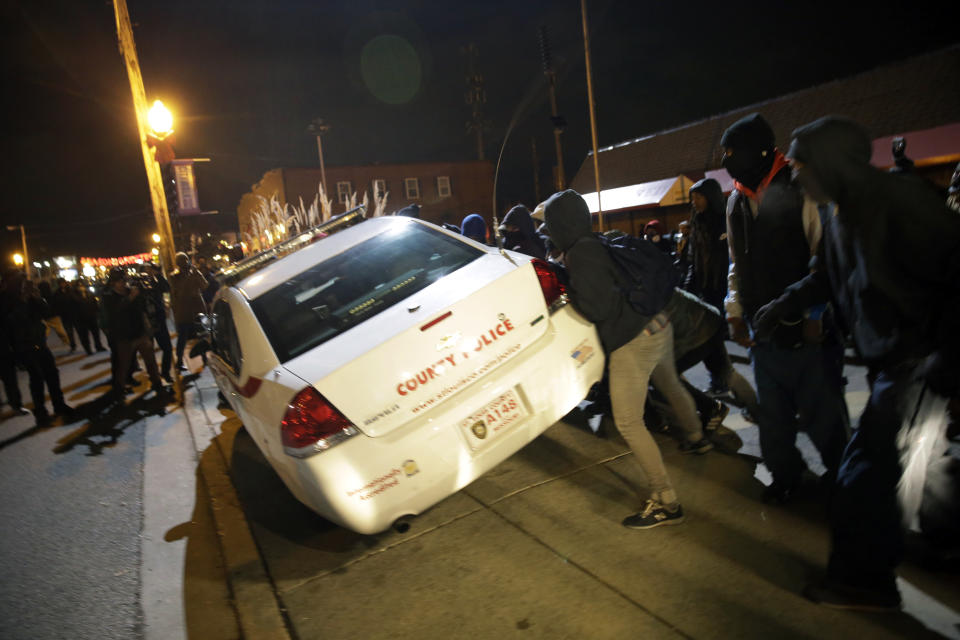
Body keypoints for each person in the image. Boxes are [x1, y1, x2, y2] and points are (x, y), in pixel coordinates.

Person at [752, 115, 960, 611]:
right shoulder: (839, 212)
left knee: (865, 474)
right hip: (892, 361)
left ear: (829, 162)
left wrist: (949, 356)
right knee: (923, 467)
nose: (796, 175)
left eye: (801, 165)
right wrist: (786, 302)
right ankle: (949, 542)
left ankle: (864, 583)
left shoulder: (899, 200)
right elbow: (829, 275)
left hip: (918, 361)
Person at [544, 189, 712, 530]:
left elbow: (598, 308)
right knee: (670, 383)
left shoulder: (581, 253)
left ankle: (666, 501)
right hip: (657, 325)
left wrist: (569, 298)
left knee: (629, 422)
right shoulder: (598, 241)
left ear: (561, 225)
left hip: (632, 341)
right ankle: (697, 437)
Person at [721, 112, 848, 504]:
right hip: (763, 333)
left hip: (809, 331)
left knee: (822, 416)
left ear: (759, 152)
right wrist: (735, 309)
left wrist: (815, 316)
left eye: (733, 153)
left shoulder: (803, 189)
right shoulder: (737, 201)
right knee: (773, 417)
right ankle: (786, 476)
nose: (728, 161)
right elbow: (735, 263)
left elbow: (827, 260)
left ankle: (844, 481)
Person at [9, 278, 74, 425]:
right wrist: (25, 301)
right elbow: (17, 324)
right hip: (27, 348)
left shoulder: (34, 303)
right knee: (37, 380)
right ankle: (41, 414)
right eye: (29, 289)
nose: (32, 292)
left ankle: (59, 406)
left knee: (52, 375)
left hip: (41, 345)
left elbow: (47, 313)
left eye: (34, 289)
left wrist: (38, 299)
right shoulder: (15, 305)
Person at [101, 268, 168, 398]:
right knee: (124, 366)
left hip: (140, 333)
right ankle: (119, 390)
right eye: (119, 281)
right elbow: (115, 312)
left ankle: (157, 383)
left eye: (123, 279)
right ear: (113, 282)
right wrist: (131, 297)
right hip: (124, 337)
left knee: (151, 362)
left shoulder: (131, 291)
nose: (122, 283)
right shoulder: (109, 296)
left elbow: (143, 308)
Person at [684, 178, 729, 313]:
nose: (694, 202)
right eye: (693, 198)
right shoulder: (697, 225)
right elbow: (693, 260)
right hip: (705, 290)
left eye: (699, 197)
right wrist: (688, 289)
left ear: (711, 197)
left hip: (725, 288)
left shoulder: (725, 221)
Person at [169, 253, 208, 372]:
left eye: (186, 260)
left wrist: (197, 274)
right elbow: (178, 294)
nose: (185, 263)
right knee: (183, 337)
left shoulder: (194, 273)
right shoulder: (174, 277)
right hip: (184, 311)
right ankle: (179, 361)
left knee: (201, 335)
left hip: (197, 309)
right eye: (182, 261)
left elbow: (205, 285)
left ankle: (204, 357)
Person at [141, 264, 173, 383]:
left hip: (159, 321)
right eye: (146, 271)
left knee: (167, 348)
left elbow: (167, 289)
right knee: (149, 353)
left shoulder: (157, 282)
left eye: (151, 270)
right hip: (146, 325)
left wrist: (158, 276)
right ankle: (154, 377)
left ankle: (165, 372)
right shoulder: (138, 286)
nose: (149, 273)